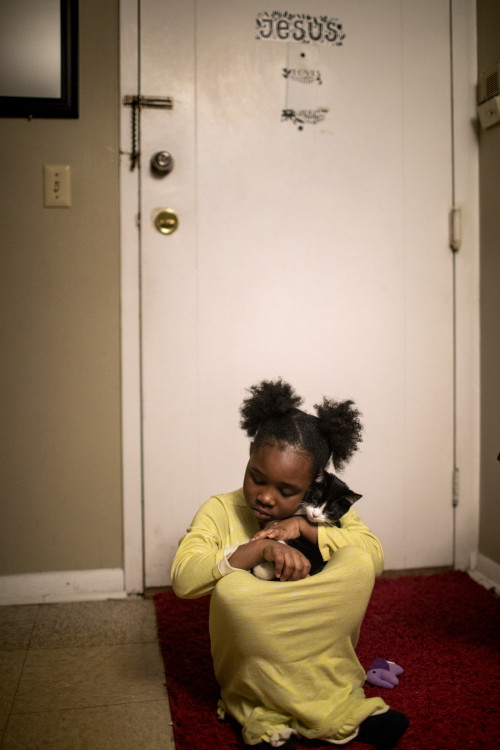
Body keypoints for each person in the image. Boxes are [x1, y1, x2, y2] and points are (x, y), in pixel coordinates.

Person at [171, 379, 409, 749]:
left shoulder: (324, 507)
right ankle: (264, 706)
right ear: (250, 454)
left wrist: (304, 527)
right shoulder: (219, 509)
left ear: (313, 483)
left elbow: (372, 558)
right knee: (234, 589)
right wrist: (257, 551)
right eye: (257, 478)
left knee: (357, 560)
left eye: (286, 492)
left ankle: (331, 701)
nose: (265, 498)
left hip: (316, 636)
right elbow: (184, 580)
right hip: (257, 649)